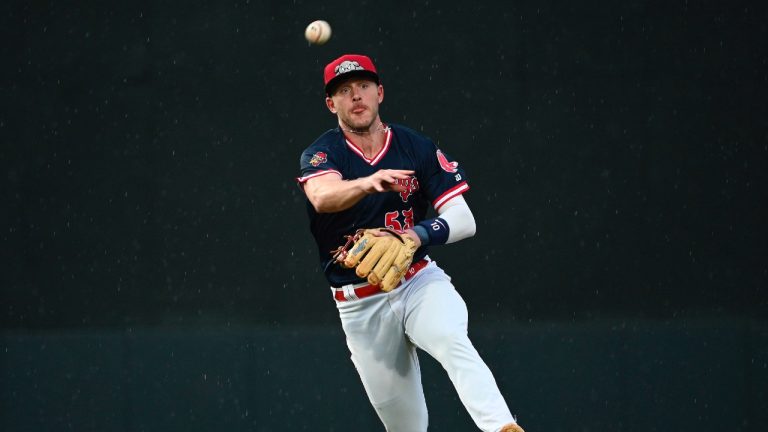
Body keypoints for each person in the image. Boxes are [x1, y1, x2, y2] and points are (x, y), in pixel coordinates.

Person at [297, 54, 525, 432]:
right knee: (406, 426)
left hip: (417, 279)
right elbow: (322, 196)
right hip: (360, 305)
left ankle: (502, 427)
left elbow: (464, 219)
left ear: (380, 92)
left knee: (451, 338)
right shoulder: (323, 153)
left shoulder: (414, 147)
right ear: (330, 103)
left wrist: (416, 234)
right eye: (344, 90)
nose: (356, 96)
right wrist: (368, 182)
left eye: (364, 86)